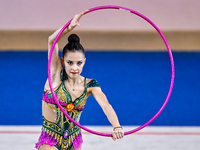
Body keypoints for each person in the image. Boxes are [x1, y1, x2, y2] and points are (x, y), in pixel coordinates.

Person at [35, 10, 124, 150]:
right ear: (63, 61)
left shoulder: (91, 85)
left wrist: (117, 126)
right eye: (70, 63)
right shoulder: (55, 76)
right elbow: (51, 40)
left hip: (74, 141)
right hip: (50, 141)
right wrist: (68, 27)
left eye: (79, 63)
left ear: (84, 62)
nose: (74, 68)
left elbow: (106, 106)